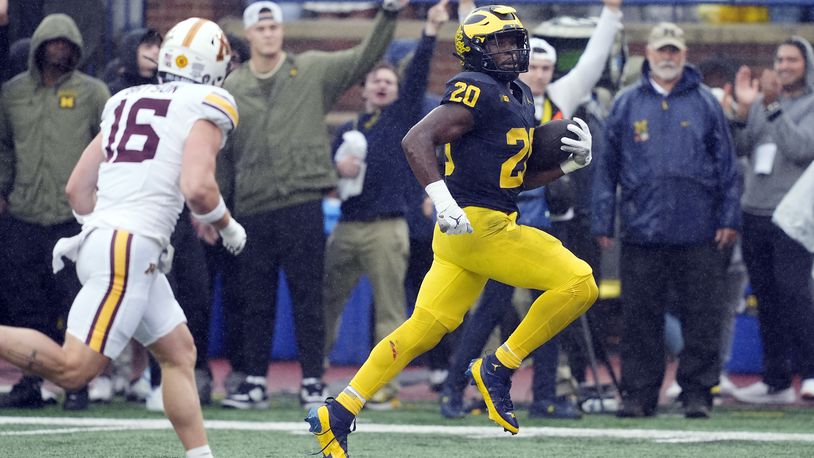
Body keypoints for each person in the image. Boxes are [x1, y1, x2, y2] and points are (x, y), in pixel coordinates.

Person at [306, 6, 596, 456]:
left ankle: (338, 411)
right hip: (480, 225)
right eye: (497, 42)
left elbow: (512, 175)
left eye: (512, 40)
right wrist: (442, 200)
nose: (509, 49)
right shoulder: (476, 88)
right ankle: (499, 366)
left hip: (474, 228)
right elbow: (415, 139)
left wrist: (563, 165)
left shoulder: (517, 93)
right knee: (580, 282)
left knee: (424, 327)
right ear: (474, 50)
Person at [0, 17, 245, 457]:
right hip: (128, 246)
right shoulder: (208, 102)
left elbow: (77, 188)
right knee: (75, 369)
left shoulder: (125, 100)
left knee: (178, 352)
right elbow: (199, 188)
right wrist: (228, 225)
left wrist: (107, 227)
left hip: (113, 243)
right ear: (214, 67)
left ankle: (201, 455)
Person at [218, 0, 407, 410]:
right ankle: (253, 381)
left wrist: (388, 15)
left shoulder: (311, 69)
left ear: (281, 31)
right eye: (261, 28)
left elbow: (364, 58)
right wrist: (216, 208)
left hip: (302, 201)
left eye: (274, 26)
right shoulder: (232, 87)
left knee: (309, 295)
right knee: (255, 297)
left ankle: (311, 380)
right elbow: (222, 154)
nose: (269, 33)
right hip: (252, 205)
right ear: (249, 35)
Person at [439, 0, 623, 420]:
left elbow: (594, 61)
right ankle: (455, 388)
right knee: (488, 314)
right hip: (492, 220)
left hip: (540, 219)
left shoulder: (557, 96)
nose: (537, 72)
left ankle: (544, 395)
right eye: (533, 64)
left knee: (551, 312)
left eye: (545, 66)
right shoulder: (490, 96)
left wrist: (612, 13)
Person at [592, 22, 741, 419]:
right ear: (649, 54)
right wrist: (603, 219)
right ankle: (639, 395)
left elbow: (727, 166)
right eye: (662, 50)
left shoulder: (706, 102)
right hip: (642, 229)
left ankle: (697, 394)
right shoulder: (626, 102)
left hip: (699, 228)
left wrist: (729, 217)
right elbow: (607, 168)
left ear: (684, 53)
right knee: (640, 318)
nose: (668, 57)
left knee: (702, 316)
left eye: (675, 50)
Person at [322, 0, 449, 411]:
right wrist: (336, 168)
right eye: (375, 81)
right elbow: (328, 175)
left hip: (388, 227)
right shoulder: (348, 128)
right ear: (363, 88)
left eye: (388, 82)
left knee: (391, 312)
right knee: (326, 302)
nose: (381, 85)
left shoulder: (402, 117)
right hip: (347, 224)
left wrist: (429, 31)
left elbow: (417, 75)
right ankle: (313, 373)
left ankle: (385, 387)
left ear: (397, 92)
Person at [0, 13, 110, 411]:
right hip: (24, 215)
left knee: (75, 303)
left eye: (68, 44)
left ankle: (76, 383)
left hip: (73, 221)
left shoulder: (94, 93)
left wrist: (101, 197)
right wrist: (3, 189)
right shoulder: (12, 94)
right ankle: (30, 381)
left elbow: (110, 149)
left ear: (77, 49)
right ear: (39, 47)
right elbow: (4, 147)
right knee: (25, 304)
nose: (60, 50)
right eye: (53, 43)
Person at [729, 36, 814, 404]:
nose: (783, 66)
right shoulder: (764, 104)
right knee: (765, 298)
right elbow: (741, 148)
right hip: (755, 209)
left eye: (792, 60)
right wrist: (743, 113)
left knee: (795, 295)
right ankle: (776, 379)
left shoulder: (809, 104)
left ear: (806, 65)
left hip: (791, 217)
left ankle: (810, 373)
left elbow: (800, 149)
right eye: (779, 59)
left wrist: (774, 107)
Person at [103, 27, 162, 95]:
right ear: (132, 51)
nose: (156, 51)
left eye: (159, 46)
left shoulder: (165, 87)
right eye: (148, 47)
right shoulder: (116, 91)